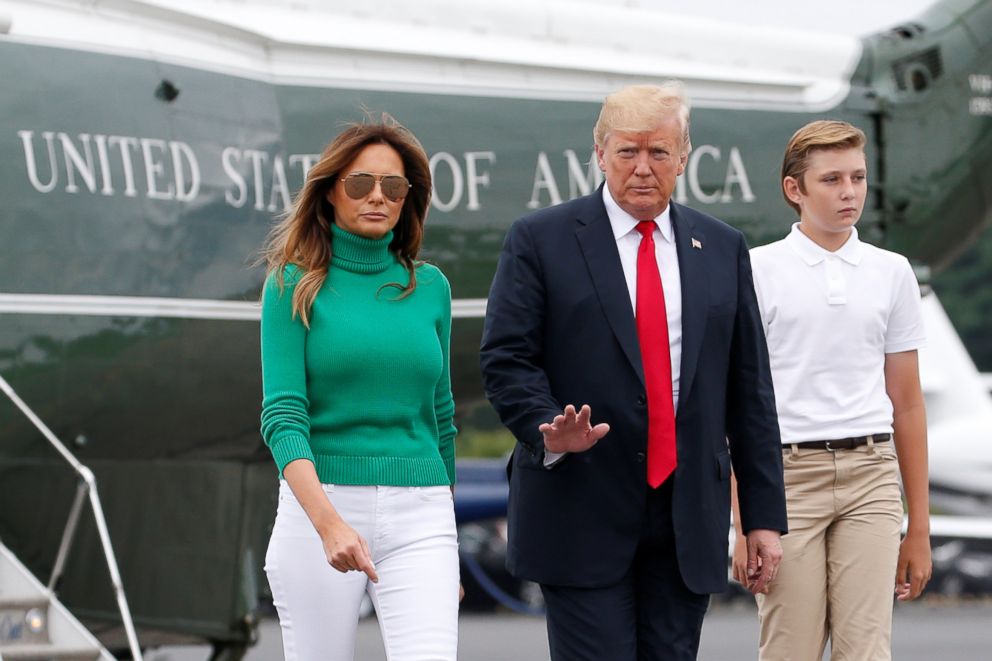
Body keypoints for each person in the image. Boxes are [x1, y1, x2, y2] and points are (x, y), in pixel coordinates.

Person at [479, 82, 788, 661]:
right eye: (628, 151)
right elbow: (506, 358)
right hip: (580, 505)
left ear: (684, 156)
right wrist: (548, 426)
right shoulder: (540, 240)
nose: (643, 168)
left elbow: (749, 391)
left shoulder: (721, 247)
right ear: (599, 153)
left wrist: (763, 519)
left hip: (687, 517)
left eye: (659, 152)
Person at [259, 115, 460, 661]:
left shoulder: (431, 288)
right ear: (329, 192)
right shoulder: (290, 286)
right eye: (360, 183)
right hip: (319, 506)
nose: (378, 197)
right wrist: (328, 524)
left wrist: (451, 545)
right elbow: (282, 417)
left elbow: (441, 418)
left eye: (394, 187)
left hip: (423, 511)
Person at [731, 119, 932, 660]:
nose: (849, 192)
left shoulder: (893, 273)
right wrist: (743, 519)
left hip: (872, 475)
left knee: (865, 650)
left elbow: (908, 405)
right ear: (794, 189)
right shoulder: (755, 271)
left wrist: (920, 527)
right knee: (790, 649)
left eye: (858, 178)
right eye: (832, 180)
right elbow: (737, 407)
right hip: (784, 480)